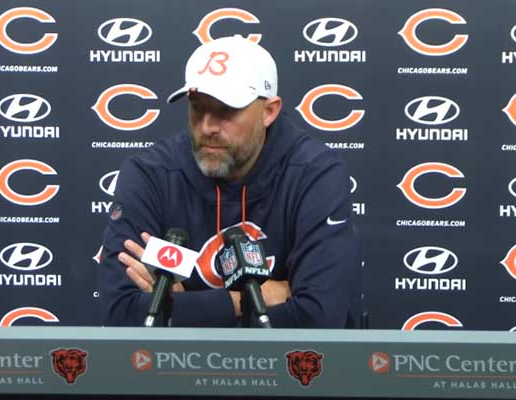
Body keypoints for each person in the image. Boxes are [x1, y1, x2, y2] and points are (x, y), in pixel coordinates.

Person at [98, 35, 362, 328]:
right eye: (198, 107)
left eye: (226, 110)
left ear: (269, 111)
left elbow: (319, 318)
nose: (207, 127)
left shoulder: (315, 173)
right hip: (170, 361)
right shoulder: (150, 174)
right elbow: (121, 314)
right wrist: (248, 300)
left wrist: (176, 306)